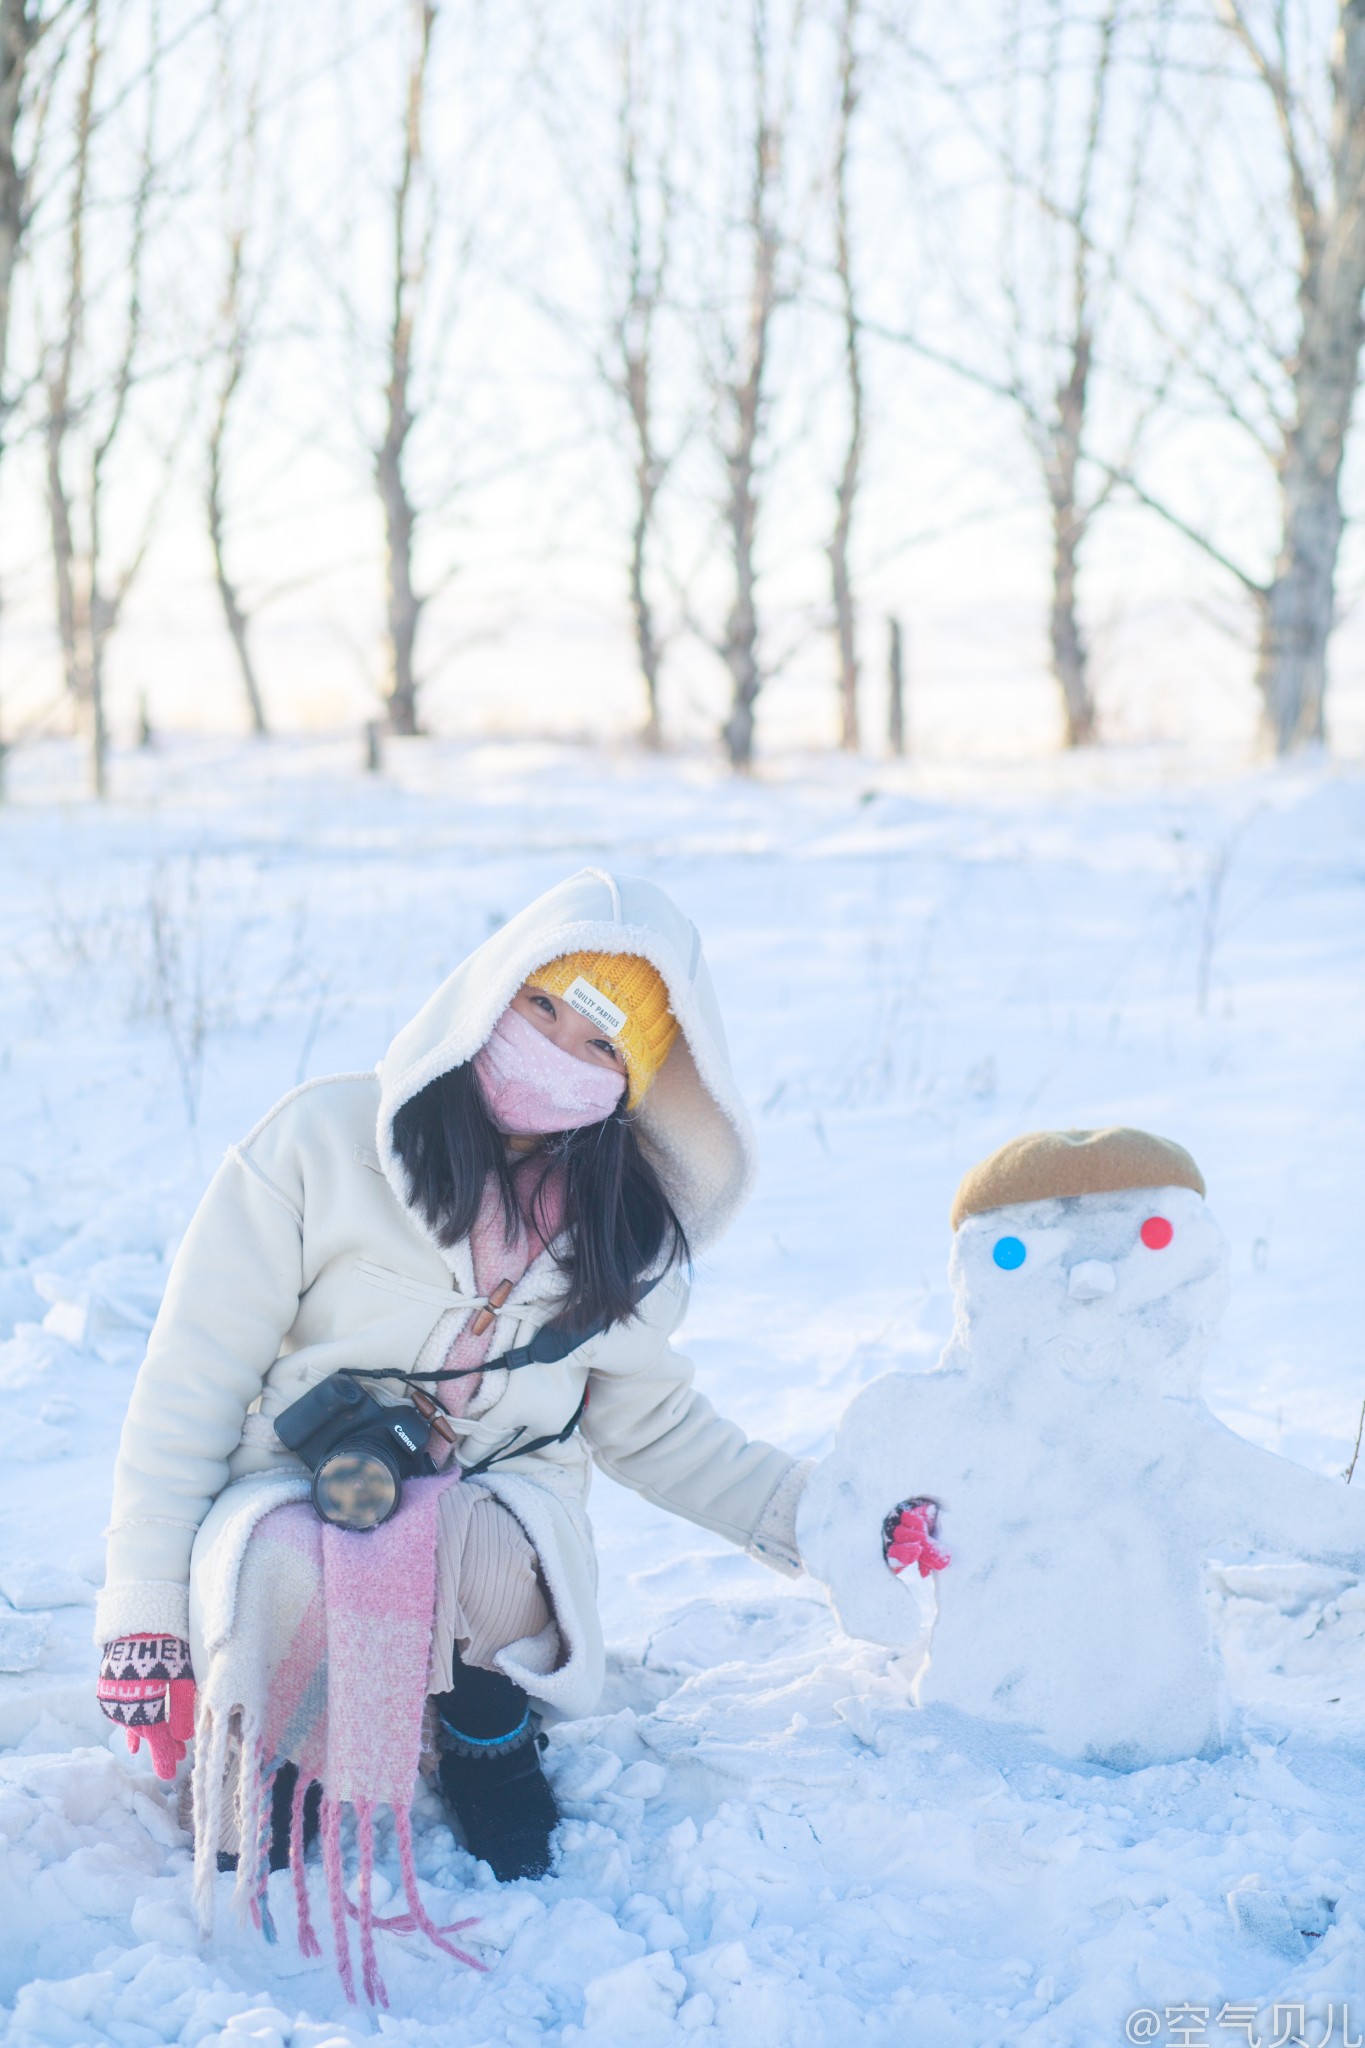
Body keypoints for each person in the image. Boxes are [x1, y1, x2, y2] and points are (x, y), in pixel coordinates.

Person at [95, 869, 810, 1940]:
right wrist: (146, 1602)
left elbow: (661, 1430)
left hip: (494, 1513)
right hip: (297, 1480)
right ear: (493, 992)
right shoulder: (318, 1142)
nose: (558, 1051)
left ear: (638, 1083)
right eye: (543, 1007)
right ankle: (274, 1750)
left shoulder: (625, 1230)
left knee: (484, 1545)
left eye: (602, 1046)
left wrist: (831, 1521)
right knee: (289, 1552)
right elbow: (191, 1375)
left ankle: (486, 1726)